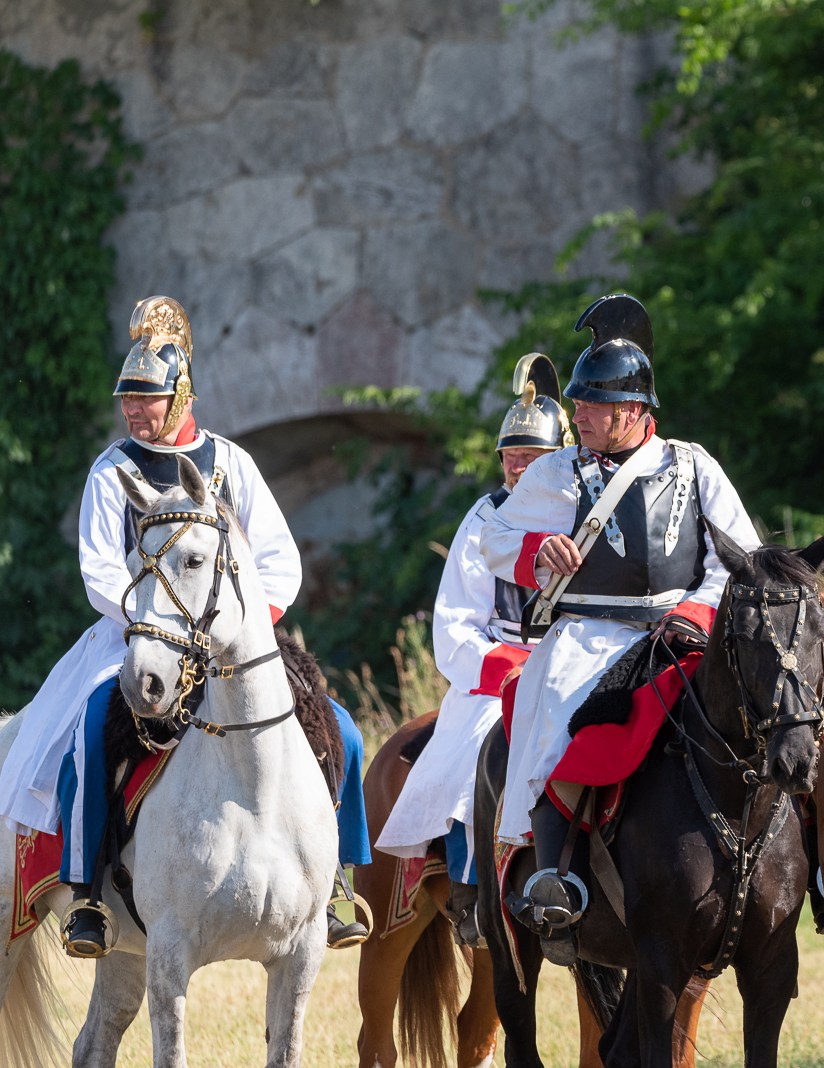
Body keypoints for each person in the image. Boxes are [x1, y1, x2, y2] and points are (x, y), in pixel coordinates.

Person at [0, 295, 371, 957]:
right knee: (88, 732)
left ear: (180, 397)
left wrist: (245, 624)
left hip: (235, 638)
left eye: (146, 397)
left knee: (340, 727)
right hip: (137, 636)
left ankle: (337, 882)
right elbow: (99, 570)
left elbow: (279, 560)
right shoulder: (112, 470)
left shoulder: (231, 463)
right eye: (127, 397)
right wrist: (156, 624)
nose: (132, 409)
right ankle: (87, 894)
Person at [479, 293, 760, 965]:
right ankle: (556, 877)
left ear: (632, 411)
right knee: (555, 712)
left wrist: (696, 613)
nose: (575, 415)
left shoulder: (694, 465)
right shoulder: (555, 471)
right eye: (576, 404)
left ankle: (793, 863)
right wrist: (538, 551)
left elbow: (740, 559)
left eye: (590, 405)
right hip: (584, 638)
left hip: (678, 636)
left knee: (763, 715)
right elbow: (493, 538)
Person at [374, 354, 571, 947]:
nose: (518, 465)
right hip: (500, 672)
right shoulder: (485, 518)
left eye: (531, 454)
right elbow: (455, 624)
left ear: (558, 455)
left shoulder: (587, 510)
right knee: (475, 758)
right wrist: (509, 669)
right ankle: (471, 892)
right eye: (510, 454)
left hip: (577, 663)